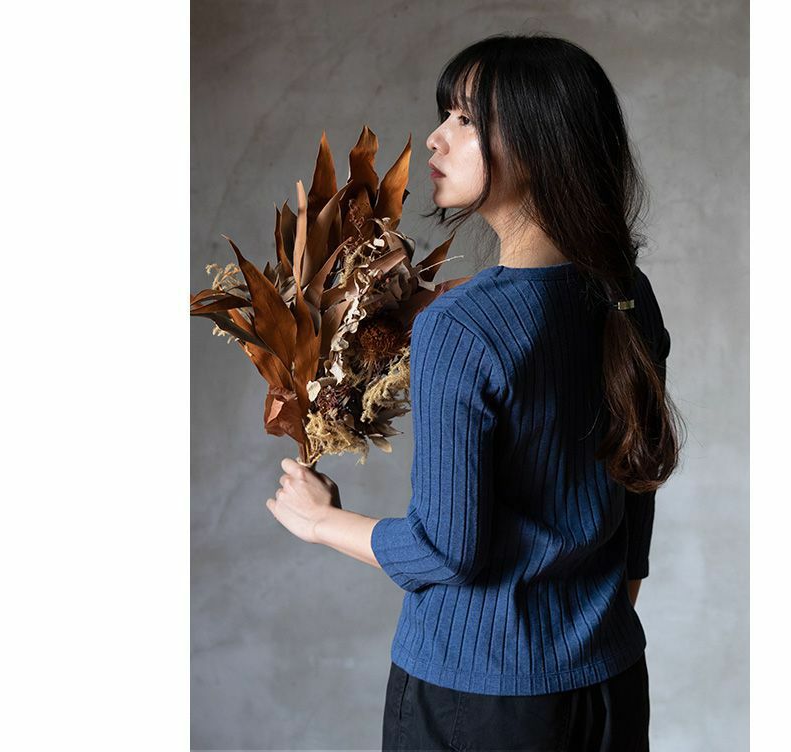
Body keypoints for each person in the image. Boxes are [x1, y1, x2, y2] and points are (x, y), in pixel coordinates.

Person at [265, 32, 683, 751]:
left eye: (465, 119)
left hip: (480, 698)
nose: (435, 138)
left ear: (538, 144)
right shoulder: (627, 291)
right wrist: (591, 624)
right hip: (609, 681)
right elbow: (636, 480)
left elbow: (445, 551)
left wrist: (320, 522)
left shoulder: (463, 326)